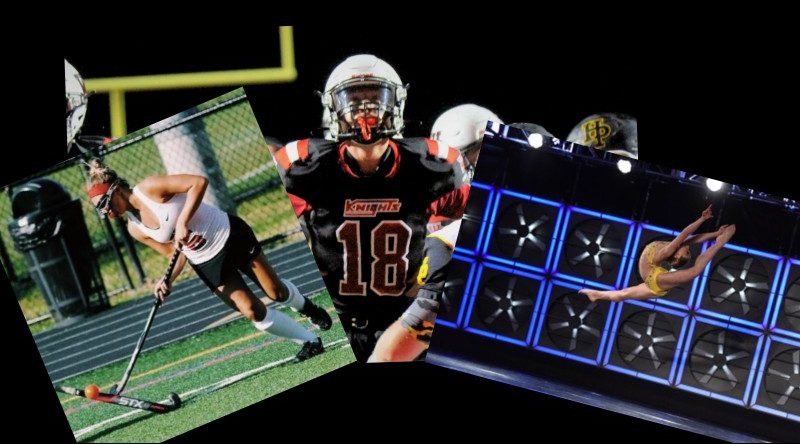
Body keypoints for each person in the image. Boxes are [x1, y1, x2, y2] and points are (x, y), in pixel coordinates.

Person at [274, 54, 470, 361]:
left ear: (396, 102)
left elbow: (477, 215)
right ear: (333, 106)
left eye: (374, 97)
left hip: (408, 319)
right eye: (353, 98)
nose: (364, 108)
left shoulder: (430, 164)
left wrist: (443, 248)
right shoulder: (304, 166)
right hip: (343, 322)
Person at [85, 159, 332, 362]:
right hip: (205, 262)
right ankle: (309, 341)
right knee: (252, 311)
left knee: (275, 292)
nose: (107, 214)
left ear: (115, 189)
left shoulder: (150, 188)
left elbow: (198, 183)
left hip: (227, 234)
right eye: (101, 211)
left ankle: (308, 308)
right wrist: (166, 280)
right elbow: (176, 253)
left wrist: (182, 222)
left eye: (105, 204)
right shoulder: (135, 229)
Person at [579, 205, 736, 302]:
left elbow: (686, 233)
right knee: (622, 294)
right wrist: (715, 232)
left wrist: (702, 219)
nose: (687, 248)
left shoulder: (666, 251)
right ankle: (596, 294)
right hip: (651, 282)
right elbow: (695, 238)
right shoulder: (673, 250)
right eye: (687, 250)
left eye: (686, 252)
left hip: (655, 280)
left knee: (694, 272)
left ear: (676, 256)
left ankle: (719, 245)